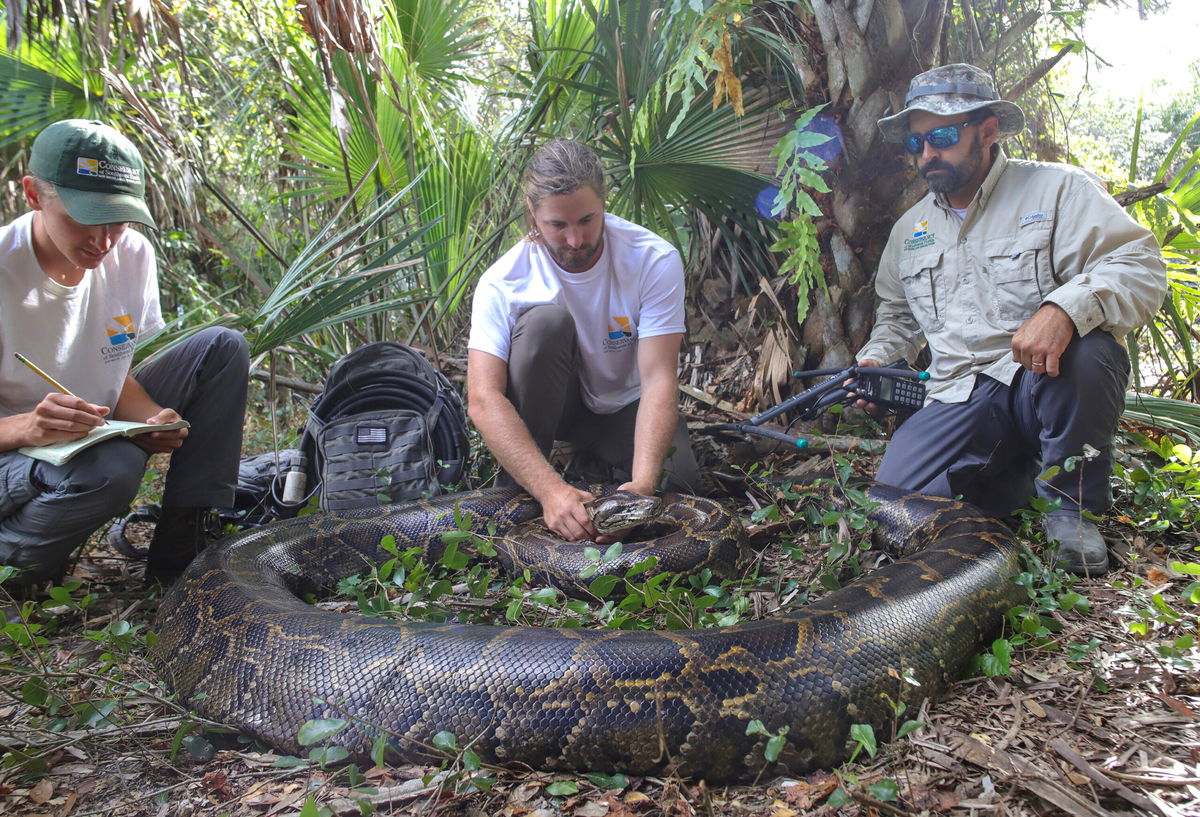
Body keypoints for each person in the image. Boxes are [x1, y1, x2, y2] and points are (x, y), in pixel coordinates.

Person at [855, 64, 1167, 576]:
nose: (928, 154)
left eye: (943, 137)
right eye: (917, 144)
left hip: (1039, 378)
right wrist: (878, 356)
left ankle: (1072, 508)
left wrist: (1063, 310)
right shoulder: (910, 229)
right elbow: (897, 315)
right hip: (957, 393)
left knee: (1090, 351)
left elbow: (1138, 264)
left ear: (988, 131)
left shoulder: (1057, 190)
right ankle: (1014, 482)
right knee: (889, 508)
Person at [0, 119, 249, 591]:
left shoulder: (130, 254)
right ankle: (14, 567)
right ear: (33, 195)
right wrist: (26, 427)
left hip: (83, 432)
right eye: (83, 217)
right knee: (112, 467)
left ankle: (182, 553)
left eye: (117, 219)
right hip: (14, 456)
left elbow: (113, 372)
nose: (103, 241)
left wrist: (155, 418)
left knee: (221, 347)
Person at [467, 139, 699, 541]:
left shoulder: (652, 259)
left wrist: (640, 489)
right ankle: (517, 493)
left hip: (624, 406)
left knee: (680, 487)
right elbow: (483, 399)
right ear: (533, 214)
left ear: (604, 201)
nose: (575, 240)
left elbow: (660, 378)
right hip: (556, 411)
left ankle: (597, 464)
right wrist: (550, 491)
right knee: (544, 326)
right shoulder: (503, 281)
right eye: (558, 225)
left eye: (587, 220)